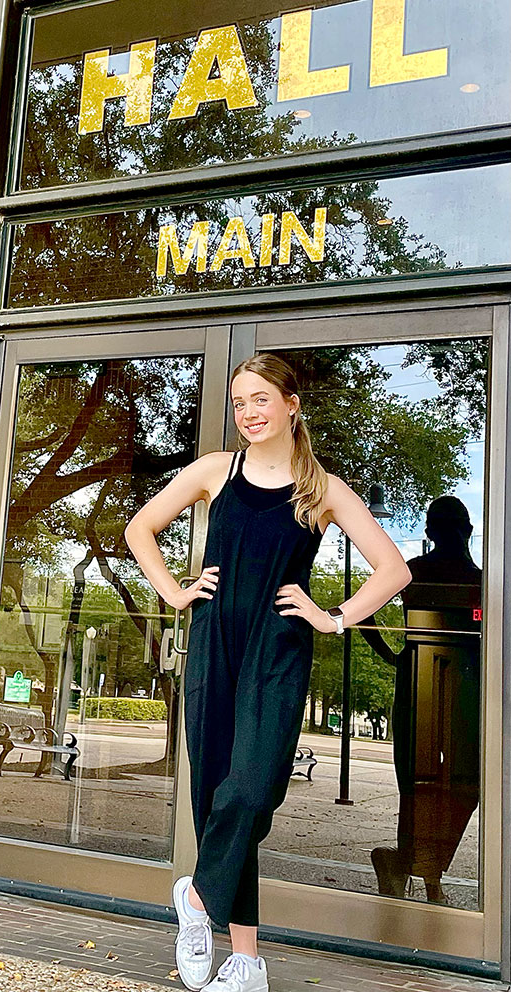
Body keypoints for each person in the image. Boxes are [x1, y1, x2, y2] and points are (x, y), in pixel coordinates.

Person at [124, 353, 411, 992]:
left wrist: (333, 616)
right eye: (239, 402)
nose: (249, 412)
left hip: (278, 648)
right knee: (215, 797)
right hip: (214, 642)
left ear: (291, 405)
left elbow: (394, 569)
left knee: (250, 792)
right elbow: (139, 528)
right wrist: (173, 591)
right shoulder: (213, 472)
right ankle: (247, 960)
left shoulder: (323, 489)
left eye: (260, 399)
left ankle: (198, 900)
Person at [364, 496, 482, 905]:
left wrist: (394, 657)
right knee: (418, 784)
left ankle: (413, 865)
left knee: (466, 784)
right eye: (443, 528)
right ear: (432, 533)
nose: (451, 535)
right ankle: (428, 880)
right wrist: (395, 656)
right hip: (422, 683)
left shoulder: (482, 581)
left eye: (455, 528)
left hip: (464, 688)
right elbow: (365, 610)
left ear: (467, 531)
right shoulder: (412, 572)